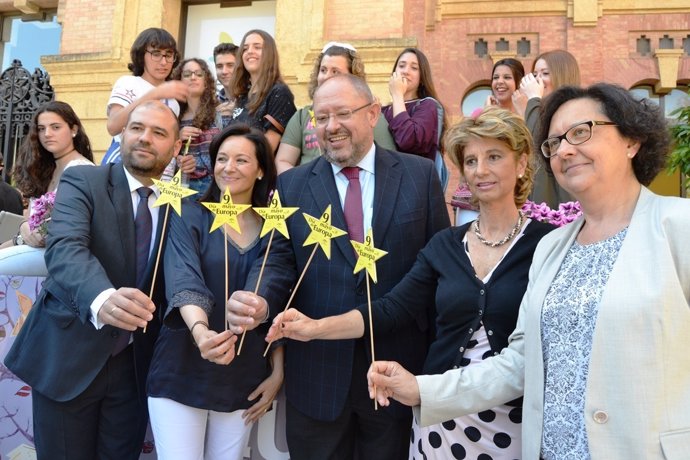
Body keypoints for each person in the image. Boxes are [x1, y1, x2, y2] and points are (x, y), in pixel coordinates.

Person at [367, 83, 690, 459]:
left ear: (631, 140)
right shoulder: (552, 247)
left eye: (581, 131)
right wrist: (421, 390)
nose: (566, 149)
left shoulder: (678, 227)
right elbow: (519, 362)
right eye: (554, 143)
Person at [265, 107, 555, 459]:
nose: (481, 170)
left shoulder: (549, 245)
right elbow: (392, 308)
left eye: (494, 156)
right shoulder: (445, 245)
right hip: (441, 419)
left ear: (522, 163)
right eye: (472, 160)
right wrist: (314, 328)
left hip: (513, 420)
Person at [226, 74, 450, 459]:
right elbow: (277, 259)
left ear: (373, 114)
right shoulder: (293, 185)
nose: (331, 127)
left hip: (395, 372)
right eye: (321, 117)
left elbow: (437, 270)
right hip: (316, 377)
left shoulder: (420, 175)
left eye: (342, 113)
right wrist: (261, 302)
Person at [4, 101, 182, 460]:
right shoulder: (84, 179)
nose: (145, 138)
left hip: (135, 371)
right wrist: (102, 299)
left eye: (159, 132)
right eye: (136, 128)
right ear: (122, 133)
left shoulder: (182, 202)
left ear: (177, 147)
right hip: (70, 358)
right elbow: (66, 248)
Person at [147, 124, 282, 459]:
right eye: (222, 158)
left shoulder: (275, 227)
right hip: (182, 366)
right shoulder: (189, 212)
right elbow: (183, 278)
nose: (228, 167)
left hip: (244, 375)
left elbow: (275, 297)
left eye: (241, 160)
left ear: (261, 169)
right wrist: (200, 330)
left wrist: (278, 372)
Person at [0, 101, 94, 275]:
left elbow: (68, 226)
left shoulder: (81, 169)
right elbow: (29, 219)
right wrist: (23, 229)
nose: (47, 134)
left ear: (74, 129)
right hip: (31, 248)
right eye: (41, 129)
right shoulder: (46, 168)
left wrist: (23, 236)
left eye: (55, 127)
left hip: (60, 255)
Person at [274, 42, 396, 174]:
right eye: (323, 70)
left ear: (353, 76)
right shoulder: (302, 117)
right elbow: (283, 161)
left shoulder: (367, 114)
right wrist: (303, 186)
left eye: (335, 71)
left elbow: (387, 161)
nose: (326, 76)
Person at [102, 27, 187, 164]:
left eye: (169, 55)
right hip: (124, 165)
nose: (163, 62)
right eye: (156, 54)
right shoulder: (129, 83)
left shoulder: (174, 103)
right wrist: (155, 94)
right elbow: (113, 126)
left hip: (158, 174)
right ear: (141, 55)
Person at [514, 49, 580, 207]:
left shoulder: (573, 108)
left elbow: (540, 143)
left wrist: (533, 99)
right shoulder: (539, 109)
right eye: (535, 74)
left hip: (561, 201)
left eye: (545, 73)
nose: (538, 80)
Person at [383, 48, 449, 189]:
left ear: (422, 77)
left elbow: (408, 140)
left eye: (414, 68)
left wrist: (397, 95)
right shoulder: (382, 111)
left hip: (412, 188)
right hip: (384, 186)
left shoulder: (427, 106)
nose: (405, 71)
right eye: (401, 66)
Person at [225, 29, 296, 153]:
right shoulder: (242, 96)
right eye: (245, 49)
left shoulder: (279, 93)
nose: (250, 51)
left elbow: (267, 148)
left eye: (257, 47)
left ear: (269, 53)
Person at [171, 58, 220, 193]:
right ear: (179, 80)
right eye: (187, 74)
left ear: (207, 81)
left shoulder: (221, 112)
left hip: (215, 188)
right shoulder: (173, 114)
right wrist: (177, 141)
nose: (193, 78)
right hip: (183, 188)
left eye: (199, 74)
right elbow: (162, 151)